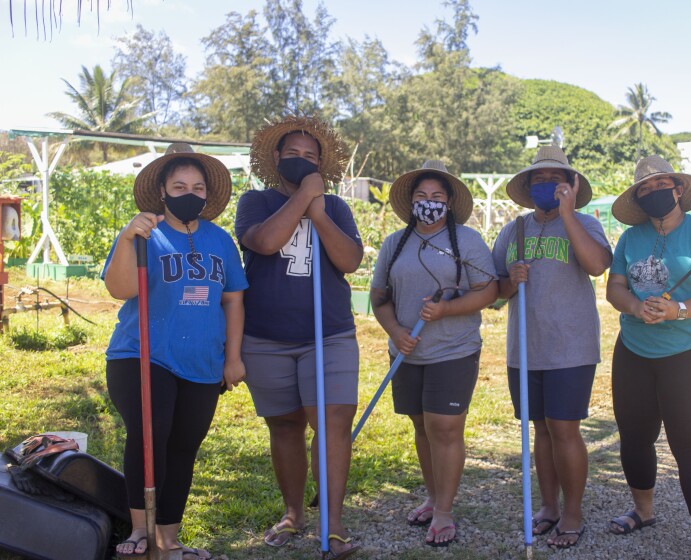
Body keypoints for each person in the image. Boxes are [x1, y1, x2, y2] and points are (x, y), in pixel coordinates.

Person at [104, 144, 248, 560]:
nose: (190, 192)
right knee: (151, 436)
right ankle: (139, 531)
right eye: (180, 185)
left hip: (203, 361)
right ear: (163, 191)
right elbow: (120, 289)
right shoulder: (146, 234)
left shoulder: (220, 241)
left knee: (184, 446)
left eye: (198, 187)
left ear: (207, 195)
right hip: (144, 355)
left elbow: (233, 300)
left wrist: (233, 357)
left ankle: (168, 539)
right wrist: (127, 235)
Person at [235, 116, 363, 559]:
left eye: (311, 157)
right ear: (276, 158)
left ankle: (333, 521)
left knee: (330, 427)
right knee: (285, 427)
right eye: (293, 154)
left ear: (322, 165)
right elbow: (265, 243)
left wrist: (319, 210)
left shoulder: (338, 207)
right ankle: (293, 512)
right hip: (266, 337)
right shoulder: (254, 201)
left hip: (329, 336)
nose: (301, 161)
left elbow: (348, 260)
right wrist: (302, 198)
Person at [605, 155, 691, 560]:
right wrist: (635, 307)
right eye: (643, 190)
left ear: (678, 189)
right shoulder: (630, 239)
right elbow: (615, 288)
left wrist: (678, 310)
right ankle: (643, 513)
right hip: (634, 350)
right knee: (634, 439)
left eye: (660, 185)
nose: (653, 194)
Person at [369, 160, 498, 547]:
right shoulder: (395, 243)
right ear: (410, 202)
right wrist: (395, 331)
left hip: (453, 350)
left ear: (449, 203)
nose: (429, 203)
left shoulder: (468, 241)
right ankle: (432, 496)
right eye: (422, 196)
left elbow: (488, 292)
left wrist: (446, 310)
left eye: (437, 197)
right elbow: (379, 297)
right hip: (406, 353)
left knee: (444, 427)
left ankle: (444, 511)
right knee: (421, 426)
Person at [491, 146, 612, 549]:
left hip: (570, 346)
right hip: (525, 348)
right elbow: (494, 290)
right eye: (538, 180)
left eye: (555, 180)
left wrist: (567, 214)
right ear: (527, 187)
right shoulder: (514, 230)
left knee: (564, 429)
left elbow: (596, 265)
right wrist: (511, 280)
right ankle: (548, 506)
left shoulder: (585, 224)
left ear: (571, 186)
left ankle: (573, 512)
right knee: (540, 430)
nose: (546, 186)